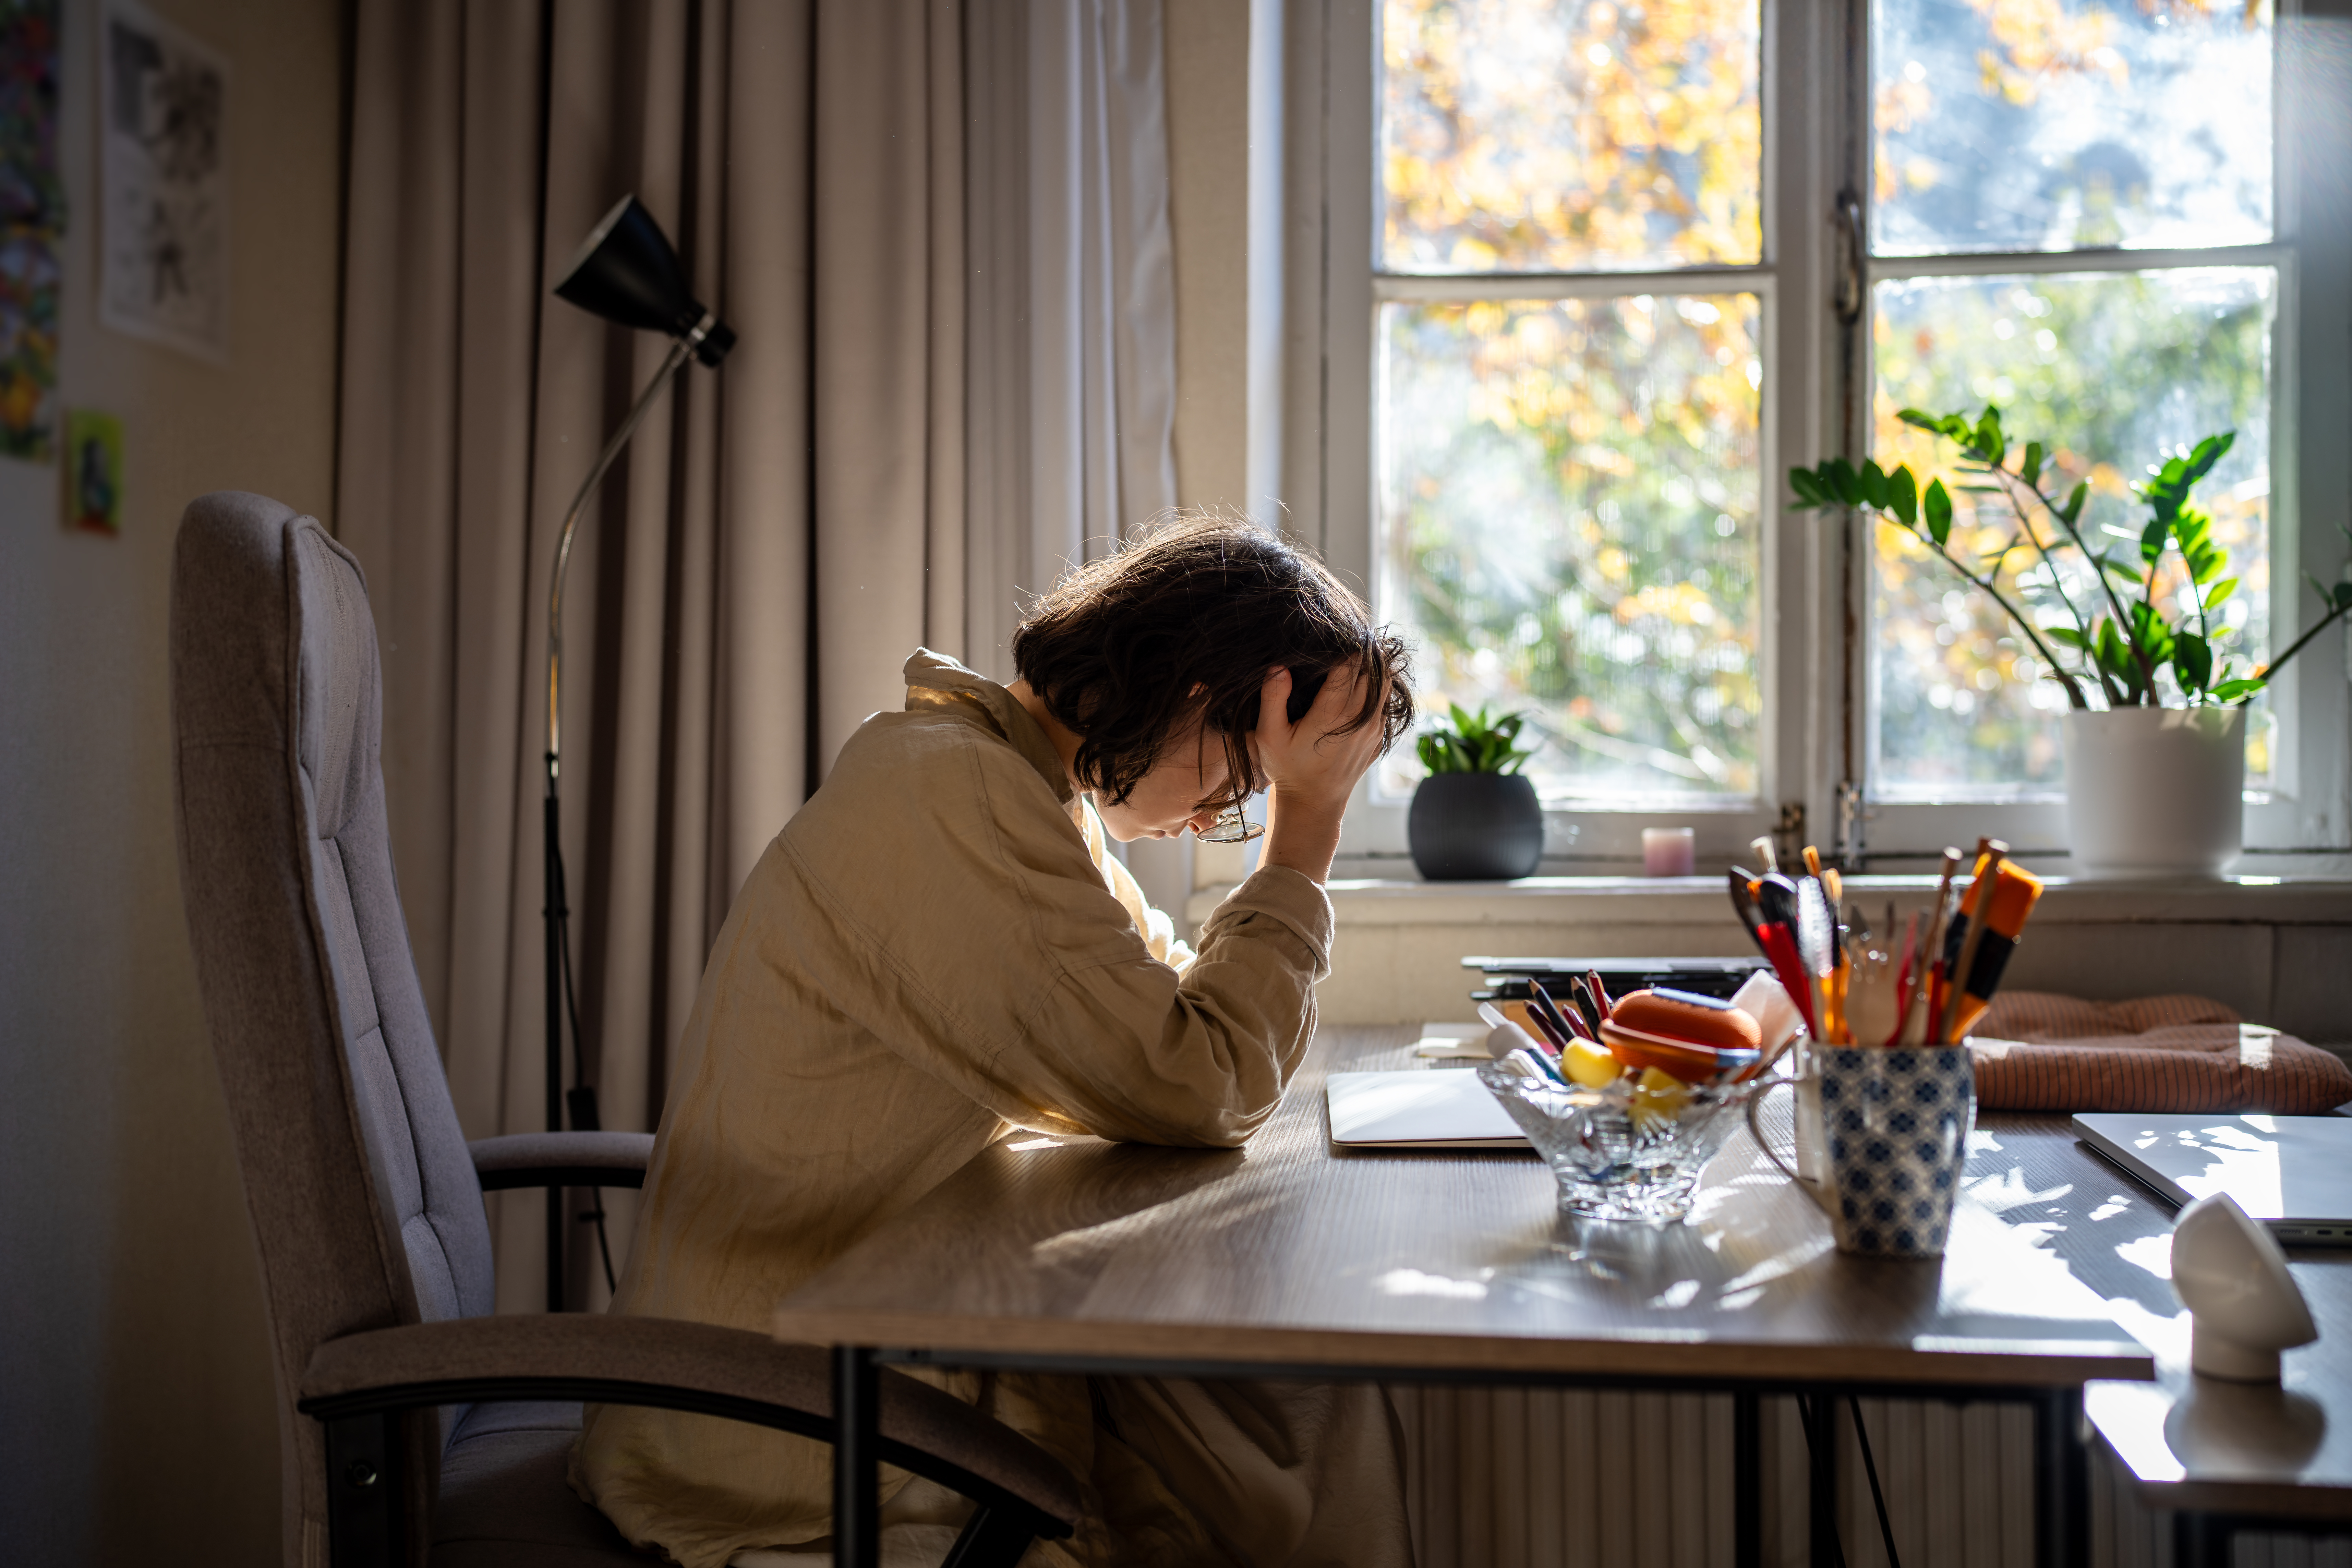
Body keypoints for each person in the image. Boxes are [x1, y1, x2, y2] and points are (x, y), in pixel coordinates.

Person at [570, 515, 1417, 1567]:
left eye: (1248, 801)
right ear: (1194, 693)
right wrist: (1309, 832)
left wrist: (1294, 822)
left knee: (1300, 1421)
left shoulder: (1014, 787)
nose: (1215, 821)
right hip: (778, 1413)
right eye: (1242, 782)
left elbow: (1175, 1024)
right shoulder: (954, 796)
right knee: (1294, 1428)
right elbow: (1203, 1081)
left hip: (891, 1317)